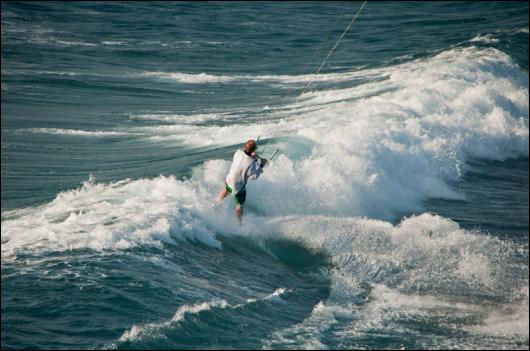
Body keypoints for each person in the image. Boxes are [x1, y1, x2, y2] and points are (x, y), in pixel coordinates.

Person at [218, 139, 267, 223]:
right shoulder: (251, 162)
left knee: (226, 189)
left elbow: (245, 157)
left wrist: (253, 156)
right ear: (254, 150)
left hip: (229, 179)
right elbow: (254, 177)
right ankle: (239, 223)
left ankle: (217, 201)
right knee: (239, 205)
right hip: (238, 187)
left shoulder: (237, 153)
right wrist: (261, 164)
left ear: (244, 147)